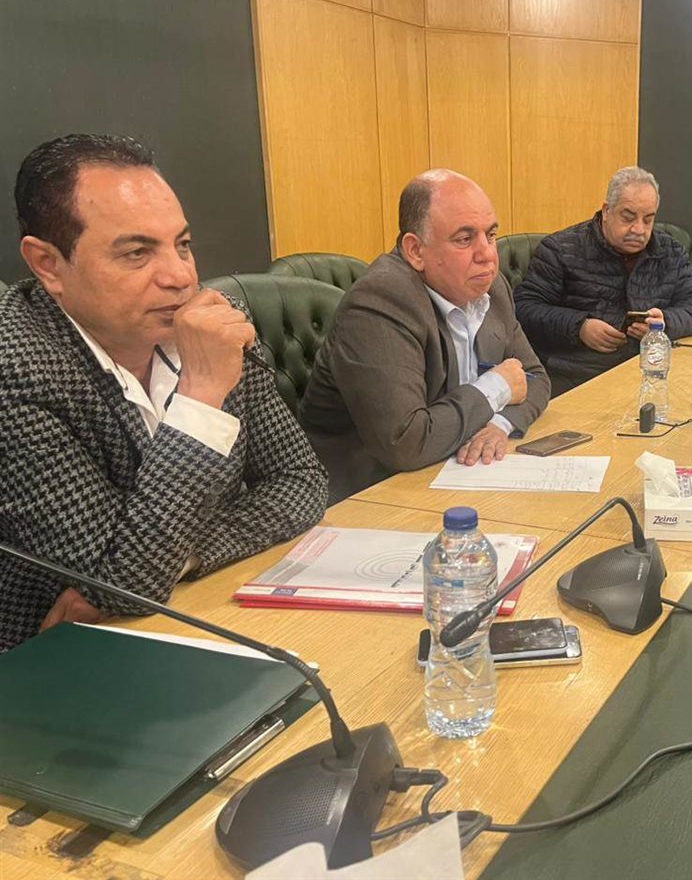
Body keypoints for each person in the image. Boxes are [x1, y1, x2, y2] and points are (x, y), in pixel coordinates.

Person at [0, 134, 328, 652]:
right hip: (55, 657)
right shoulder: (14, 367)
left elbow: (301, 480)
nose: (181, 277)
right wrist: (201, 393)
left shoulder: (213, 323)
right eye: (137, 253)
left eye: (183, 244)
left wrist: (184, 556)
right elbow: (123, 582)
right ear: (48, 264)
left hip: (201, 610)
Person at [300, 169, 550, 502]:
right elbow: (405, 442)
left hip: (455, 471)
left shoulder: (490, 287)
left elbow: (534, 377)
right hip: (367, 493)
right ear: (416, 251)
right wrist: (497, 388)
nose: (487, 254)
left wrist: (499, 425)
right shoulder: (380, 302)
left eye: (490, 235)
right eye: (464, 239)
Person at [514, 166, 692, 396]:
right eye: (628, 217)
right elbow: (525, 309)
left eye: (648, 220)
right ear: (606, 211)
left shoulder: (669, 250)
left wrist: (665, 323)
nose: (639, 229)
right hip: (577, 376)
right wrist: (579, 327)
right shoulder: (560, 249)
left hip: (649, 370)